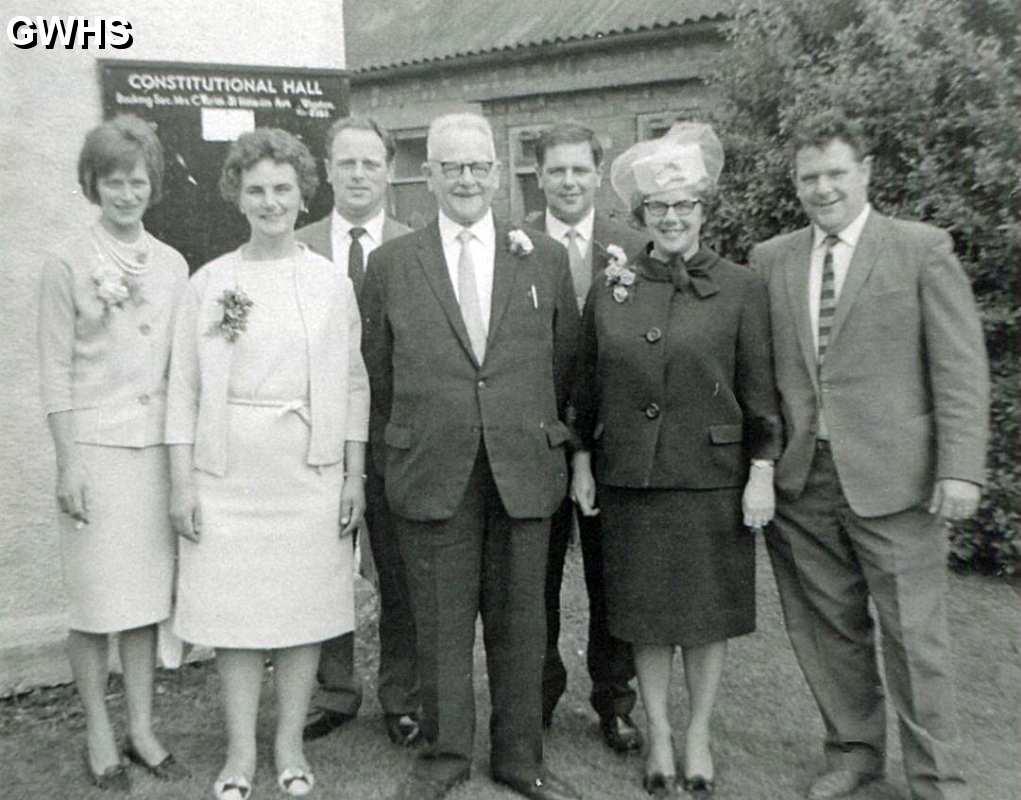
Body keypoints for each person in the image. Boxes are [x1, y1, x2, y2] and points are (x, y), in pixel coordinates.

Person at [751, 110, 988, 800]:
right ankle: (854, 753)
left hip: (898, 480)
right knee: (830, 633)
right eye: (808, 177)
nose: (822, 189)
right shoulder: (772, 259)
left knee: (915, 638)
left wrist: (960, 467)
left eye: (834, 173)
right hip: (805, 482)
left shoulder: (919, 248)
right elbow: (760, 374)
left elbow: (959, 368)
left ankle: (935, 776)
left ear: (865, 174)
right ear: (794, 183)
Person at [360, 112, 581, 800]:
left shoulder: (540, 256)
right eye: (449, 166)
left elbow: (566, 364)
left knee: (523, 625)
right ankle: (443, 757)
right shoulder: (393, 262)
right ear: (425, 176)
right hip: (433, 467)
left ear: (496, 173)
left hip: (522, 467)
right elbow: (378, 370)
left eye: (477, 166)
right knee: (439, 625)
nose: (464, 178)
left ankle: (520, 758)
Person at [571, 122, 781, 798]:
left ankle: (697, 734)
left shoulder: (742, 287)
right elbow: (585, 382)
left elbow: (760, 392)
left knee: (705, 615)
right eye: (657, 208)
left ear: (702, 211)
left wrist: (760, 470)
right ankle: (658, 729)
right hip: (631, 478)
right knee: (645, 614)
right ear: (641, 216)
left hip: (711, 482)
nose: (669, 218)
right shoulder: (613, 285)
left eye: (683, 205)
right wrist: (580, 459)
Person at [167, 128, 369, 800]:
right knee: (236, 617)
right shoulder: (212, 282)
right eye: (256, 189)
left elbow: (351, 384)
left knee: (300, 613)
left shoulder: (327, 282)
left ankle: (287, 744)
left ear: (302, 191)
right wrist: (182, 483)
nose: (271, 201)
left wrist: (352, 474)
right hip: (227, 477)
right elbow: (184, 389)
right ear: (236, 195)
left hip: (306, 474)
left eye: (282, 188)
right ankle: (239, 751)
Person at [37, 114, 190, 792]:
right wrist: (68, 461)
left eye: (137, 181)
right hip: (94, 453)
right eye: (113, 181)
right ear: (92, 184)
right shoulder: (67, 262)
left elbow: (181, 370)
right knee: (96, 602)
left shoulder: (172, 262)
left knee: (142, 601)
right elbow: (54, 372)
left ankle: (141, 725)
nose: (126, 193)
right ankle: (98, 728)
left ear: (153, 185)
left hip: (152, 453)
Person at [296, 115, 420, 747]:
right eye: (347, 163)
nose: (360, 174)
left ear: (390, 170)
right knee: (324, 562)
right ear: (326, 171)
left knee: (400, 568)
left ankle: (403, 693)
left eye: (372, 163)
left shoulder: (417, 244)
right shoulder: (295, 245)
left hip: (399, 434)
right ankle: (333, 689)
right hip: (318, 436)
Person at [525, 122, 646, 752]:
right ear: (538, 177)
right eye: (556, 171)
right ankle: (538, 694)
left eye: (579, 170)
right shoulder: (511, 244)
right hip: (538, 441)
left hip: (611, 440)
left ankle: (614, 699)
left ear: (596, 174)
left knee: (613, 576)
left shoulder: (634, 245)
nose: (568, 182)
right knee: (535, 578)